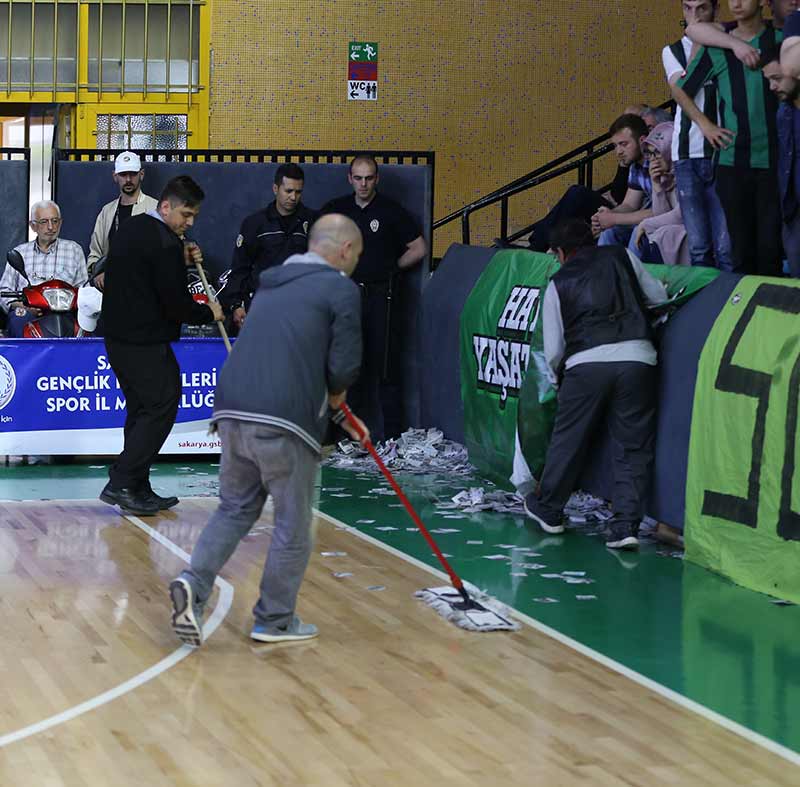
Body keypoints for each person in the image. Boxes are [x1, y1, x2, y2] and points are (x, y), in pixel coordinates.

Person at [168, 214, 369, 647]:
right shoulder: (341, 289)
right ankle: (274, 619)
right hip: (284, 418)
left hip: (231, 410)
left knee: (234, 509)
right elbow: (344, 365)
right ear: (346, 250)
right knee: (293, 525)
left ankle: (193, 583)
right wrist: (339, 408)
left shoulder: (272, 284)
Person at [522, 218, 667, 550]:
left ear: (559, 252)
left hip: (585, 365)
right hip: (638, 357)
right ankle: (625, 526)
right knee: (633, 447)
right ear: (592, 239)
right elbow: (657, 296)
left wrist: (562, 381)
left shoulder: (558, 282)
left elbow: (555, 350)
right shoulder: (621, 255)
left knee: (568, 439)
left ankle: (549, 509)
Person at [99, 176, 224, 516]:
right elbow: (176, 305)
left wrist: (180, 255)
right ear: (166, 206)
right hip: (145, 340)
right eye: (186, 214)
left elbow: (144, 271)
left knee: (141, 410)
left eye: (194, 216)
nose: (190, 222)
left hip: (117, 337)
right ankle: (123, 480)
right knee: (161, 406)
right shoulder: (166, 243)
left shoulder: (134, 226)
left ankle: (137, 486)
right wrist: (208, 312)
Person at [320, 155, 427, 442]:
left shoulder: (391, 211)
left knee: (385, 367)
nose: (363, 183)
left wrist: (392, 268)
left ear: (376, 179)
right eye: (358, 178)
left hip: (382, 297)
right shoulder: (337, 210)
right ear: (350, 179)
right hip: (345, 298)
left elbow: (418, 248)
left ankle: (392, 439)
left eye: (369, 178)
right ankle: (339, 439)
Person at [674, 0, 783, 275]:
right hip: (732, 163)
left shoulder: (779, 39)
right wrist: (705, 125)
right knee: (739, 251)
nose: (736, 2)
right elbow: (682, 89)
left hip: (775, 160)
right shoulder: (718, 46)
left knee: (771, 249)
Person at [661, 0, 732, 270]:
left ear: (716, 10)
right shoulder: (673, 50)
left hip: (724, 153)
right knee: (699, 246)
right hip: (687, 154)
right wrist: (700, 38)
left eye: (702, 8)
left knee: (727, 247)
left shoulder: (730, 46)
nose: (695, 15)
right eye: (688, 8)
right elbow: (684, 87)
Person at [218, 163, 316, 329]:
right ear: (275, 189)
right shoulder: (255, 224)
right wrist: (236, 305)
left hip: (301, 306)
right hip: (261, 305)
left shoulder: (313, 221)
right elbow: (240, 267)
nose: (293, 197)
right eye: (288, 191)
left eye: (298, 192)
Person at [0, 200, 87, 337]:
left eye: (55, 221)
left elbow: (84, 290)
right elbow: (4, 291)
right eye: (44, 222)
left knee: (88, 324)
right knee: (18, 318)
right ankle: (23, 358)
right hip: (28, 313)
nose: (51, 227)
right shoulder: (20, 253)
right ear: (33, 226)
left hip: (64, 313)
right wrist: (22, 306)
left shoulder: (73, 250)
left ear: (61, 223)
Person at [87, 151, 158, 287]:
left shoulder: (155, 208)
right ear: (115, 176)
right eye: (123, 174)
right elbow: (95, 254)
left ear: (141, 174)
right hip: (111, 287)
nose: (128, 180)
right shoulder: (107, 212)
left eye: (133, 174)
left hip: (147, 286)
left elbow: (170, 250)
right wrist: (99, 273)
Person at [762, 43, 800, 276]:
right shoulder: (783, 112)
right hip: (793, 211)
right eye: (768, 80)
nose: (772, 86)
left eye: (776, 78)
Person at [591, 114, 654, 249]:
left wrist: (614, 219)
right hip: (649, 221)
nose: (618, 151)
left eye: (623, 144)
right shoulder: (636, 166)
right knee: (609, 232)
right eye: (615, 145)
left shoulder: (660, 161)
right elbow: (630, 204)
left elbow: (661, 211)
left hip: (669, 223)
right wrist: (606, 215)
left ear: (642, 141)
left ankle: (632, 270)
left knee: (638, 232)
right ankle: (604, 269)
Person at [633, 122, 690, 265]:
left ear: (670, 150)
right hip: (678, 231)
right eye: (650, 154)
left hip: (698, 234)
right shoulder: (666, 178)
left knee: (658, 234)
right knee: (653, 233)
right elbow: (661, 215)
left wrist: (645, 224)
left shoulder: (686, 174)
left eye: (657, 152)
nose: (653, 159)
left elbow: (681, 215)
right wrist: (656, 185)